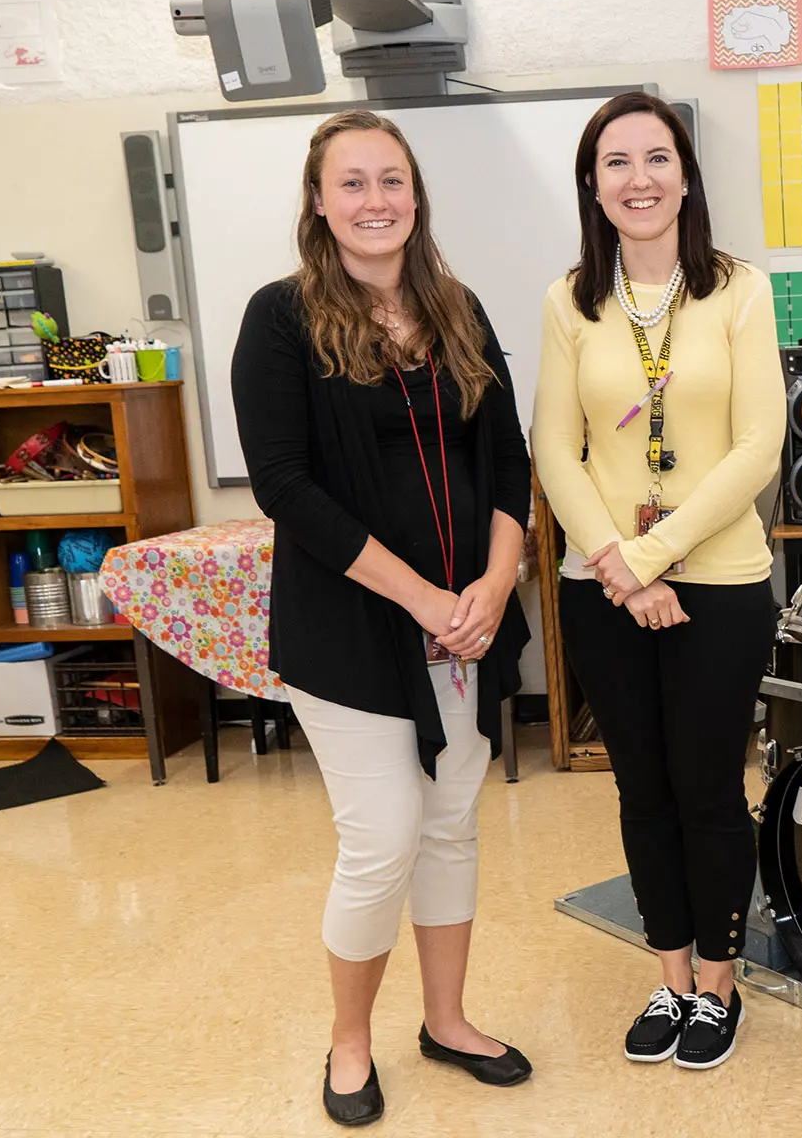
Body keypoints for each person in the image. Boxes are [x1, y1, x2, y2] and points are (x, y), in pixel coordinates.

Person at [231, 109, 533, 1126]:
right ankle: (348, 1041)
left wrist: (494, 589)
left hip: (467, 621)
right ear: (318, 202)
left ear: (416, 196)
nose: (374, 201)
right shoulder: (279, 318)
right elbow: (285, 486)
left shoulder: (457, 308)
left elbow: (505, 463)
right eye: (352, 183)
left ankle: (445, 1020)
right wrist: (427, 601)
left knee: (450, 827)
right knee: (385, 836)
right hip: (351, 631)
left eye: (391, 181)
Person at [533, 91, 783, 1071]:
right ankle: (670, 975)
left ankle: (719, 987)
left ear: (685, 173)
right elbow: (555, 449)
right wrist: (617, 567)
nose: (639, 179)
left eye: (656, 158)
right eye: (616, 163)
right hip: (598, 588)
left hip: (717, 583)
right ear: (593, 186)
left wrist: (648, 556)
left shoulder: (740, 290)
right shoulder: (570, 300)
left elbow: (759, 446)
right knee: (642, 792)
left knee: (709, 790)